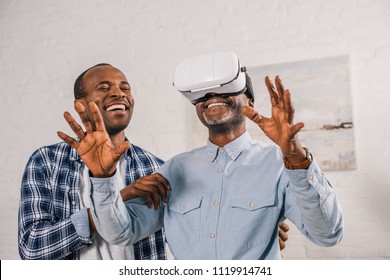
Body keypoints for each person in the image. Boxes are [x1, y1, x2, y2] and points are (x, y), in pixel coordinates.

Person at [60, 53, 333, 260]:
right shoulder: (174, 169)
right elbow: (121, 232)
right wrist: (103, 179)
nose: (212, 95)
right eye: (202, 93)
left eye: (225, 88)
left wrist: (297, 158)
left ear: (249, 101)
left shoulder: (279, 164)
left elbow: (327, 233)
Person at [18, 63, 167, 260]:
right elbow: (32, 248)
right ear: (81, 105)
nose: (118, 93)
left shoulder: (156, 168)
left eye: (125, 88)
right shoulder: (46, 162)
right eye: (104, 88)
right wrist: (116, 197)